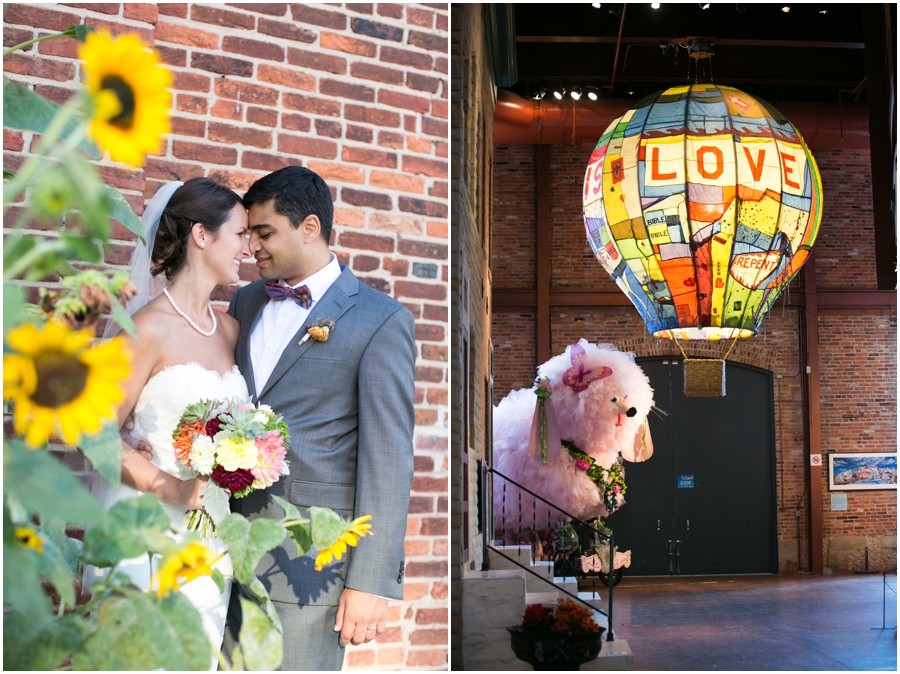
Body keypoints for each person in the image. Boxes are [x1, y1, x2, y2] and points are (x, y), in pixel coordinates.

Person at [220, 165, 416, 670]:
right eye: (248, 234)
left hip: (305, 565)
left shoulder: (381, 321)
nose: (253, 247)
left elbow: (388, 459)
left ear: (310, 227)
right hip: (219, 548)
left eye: (265, 233)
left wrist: (370, 582)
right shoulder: (245, 301)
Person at [86, 177, 252, 669]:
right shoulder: (147, 329)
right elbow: (93, 434)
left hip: (213, 539)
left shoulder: (231, 329)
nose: (248, 247)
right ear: (202, 236)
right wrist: (169, 488)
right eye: (240, 233)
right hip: (150, 532)